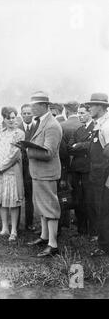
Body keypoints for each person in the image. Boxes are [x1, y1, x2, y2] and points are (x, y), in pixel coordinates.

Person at [25, 91, 62, 257]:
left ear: (43, 106)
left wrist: (27, 150)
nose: (31, 109)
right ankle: (44, 236)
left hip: (46, 173)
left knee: (50, 208)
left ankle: (53, 244)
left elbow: (49, 153)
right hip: (39, 173)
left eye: (34, 106)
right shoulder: (42, 122)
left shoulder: (52, 125)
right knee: (42, 207)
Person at [0, 107, 24, 241]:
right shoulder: (0, 132)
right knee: (3, 201)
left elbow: (15, 155)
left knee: (13, 201)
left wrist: (1, 167)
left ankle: (14, 231)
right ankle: (5, 228)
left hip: (12, 171)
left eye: (13, 117)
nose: (11, 120)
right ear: (3, 119)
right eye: (8, 118)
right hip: (0, 172)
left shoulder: (19, 133)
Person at [83, 93, 109, 256]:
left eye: (91, 105)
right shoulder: (99, 123)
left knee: (103, 209)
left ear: (100, 107)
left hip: (103, 174)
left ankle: (104, 245)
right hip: (98, 173)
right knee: (101, 209)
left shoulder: (106, 125)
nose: (89, 108)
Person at [68, 104, 95, 235]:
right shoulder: (78, 130)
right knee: (78, 198)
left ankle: (92, 229)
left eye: (82, 113)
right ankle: (81, 228)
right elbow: (69, 147)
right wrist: (81, 146)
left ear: (90, 113)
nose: (80, 115)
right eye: (78, 113)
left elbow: (92, 146)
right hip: (77, 168)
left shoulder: (96, 128)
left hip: (89, 169)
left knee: (89, 199)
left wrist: (78, 145)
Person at [58, 101, 81, 231]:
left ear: (66, 111)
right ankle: (80, 222)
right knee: (80, 194)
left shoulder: (62, 125)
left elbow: (62, 152)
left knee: (64, 194)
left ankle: (63, 222)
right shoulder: (82, 124)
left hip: (65, 167)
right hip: (80, 167)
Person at [18, 104, 36, 231]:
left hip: (32, 165)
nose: (26, 116)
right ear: (21, 114)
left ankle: (29, 223)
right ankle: (16, 224)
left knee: (30, 195)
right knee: (18, 194)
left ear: (33, 114)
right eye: (24, 113)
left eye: (29, 113)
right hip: (18, 165)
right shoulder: (17, 129)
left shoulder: (38, 127)